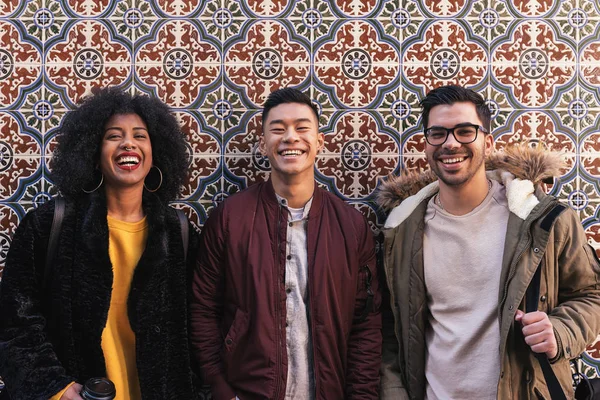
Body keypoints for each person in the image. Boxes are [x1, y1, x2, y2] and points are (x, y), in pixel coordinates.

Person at [377, 85, 600, 399]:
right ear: (426, 145)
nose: (451, 143)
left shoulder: (543, 220)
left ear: (488, 141)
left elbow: (592, 293)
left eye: (465, 131)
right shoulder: (401, 232)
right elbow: (392, 332)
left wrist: (561, 331)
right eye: (437, 133)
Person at [0, 88, 201, 399]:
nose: (128, 143)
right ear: (93, 152)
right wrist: (58, 388)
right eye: (113, 136)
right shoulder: (48, 226)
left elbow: (200, 330)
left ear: (157, 151)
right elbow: (15, 322)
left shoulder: (179, 234)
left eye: (140, 135)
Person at [190, 87, 382, 400]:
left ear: (319, 142)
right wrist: (222, 390)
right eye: (278, 129)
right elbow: (202, 310)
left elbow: (365, 323)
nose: (290, 137)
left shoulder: (351, 225)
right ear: (263, 144)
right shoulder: (230, 218)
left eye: (302, 128)